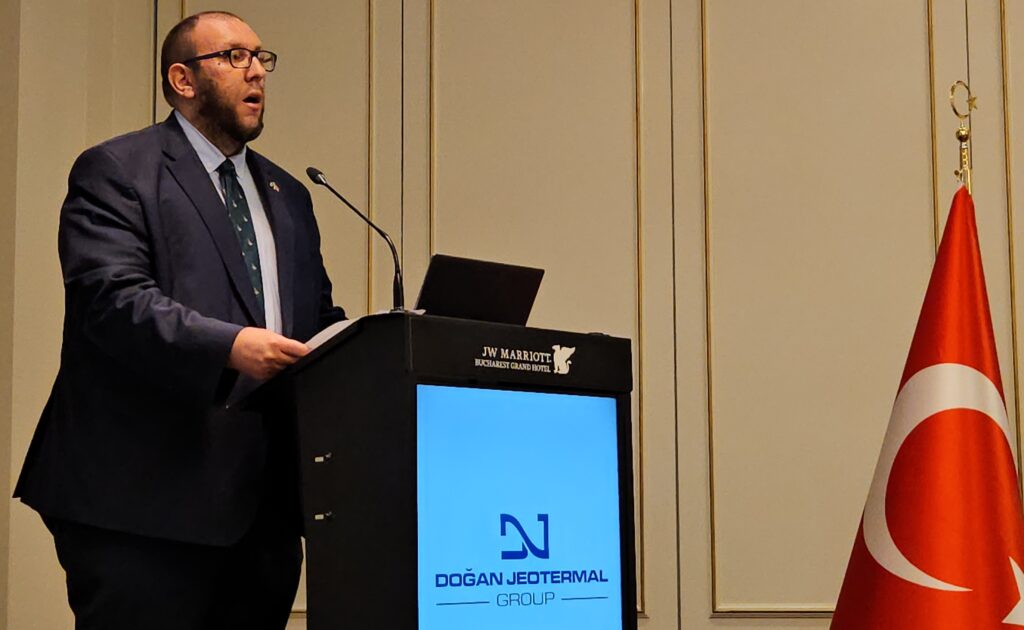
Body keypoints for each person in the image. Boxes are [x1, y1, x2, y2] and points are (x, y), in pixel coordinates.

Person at [13, 11, 346, 629]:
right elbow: (111, 301)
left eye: (262, 58)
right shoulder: (118, 169)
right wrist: (231, 346)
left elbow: (313, 316)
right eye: (235, 57)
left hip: (261, 510)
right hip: (142, 502)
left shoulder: (289, 195)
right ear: (183, 79)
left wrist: (364, 342)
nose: (256, 72)